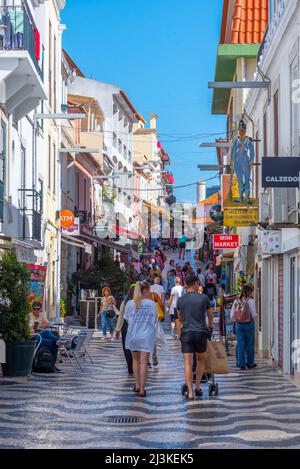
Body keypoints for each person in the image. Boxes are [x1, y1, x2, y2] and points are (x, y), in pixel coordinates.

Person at [177, 275, 213, 400]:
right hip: (200, 332)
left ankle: (190, 392)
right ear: (196, 283)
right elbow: (210, 315)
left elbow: (179, 318)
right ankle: (197, 387)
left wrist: (180, 331)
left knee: (187, 363)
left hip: (186, 332)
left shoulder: (181, 300)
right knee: (201, 360)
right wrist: (211, 327)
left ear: (186, 284)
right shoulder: (204, 298)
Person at [124, 281, 157, 397]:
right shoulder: (152, 304)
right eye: (149, 291)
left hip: (133, 335)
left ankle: (137, 385)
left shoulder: (129, 303)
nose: (150, 293)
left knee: (135, 361)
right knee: (144, 362)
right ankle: (142, 389)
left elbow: (127, 320)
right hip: (146, 336)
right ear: (144, 291)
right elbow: (154, 321)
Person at [29, 302, 65, 373]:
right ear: (32, 309)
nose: (36, 310)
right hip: (34, 338)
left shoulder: (42, 314)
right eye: (34, 309)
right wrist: (39, 325)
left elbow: (47, 324)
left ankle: (52, 366)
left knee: (54, 343)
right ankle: (60, 342)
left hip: (40, 338)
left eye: (37, 309)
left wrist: (38, 326)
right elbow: (31, 329)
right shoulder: (29, 316)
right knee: (46, 332)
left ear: (40, 310)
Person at [231, 284, 257, 370]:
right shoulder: (251, 301)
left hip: (239, 324)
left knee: (240, 344)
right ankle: (250, 363)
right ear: (249, 291)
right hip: (249, 324)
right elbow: (253, 314)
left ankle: (241, 364)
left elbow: (232, 315)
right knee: (250, 343)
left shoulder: (236, 301)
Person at [231, 119, 255, 204]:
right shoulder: (236, 141)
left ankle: (247, 198)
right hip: (238, 164)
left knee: (247, 180)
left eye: (243, 130)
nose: (241, 132)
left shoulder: (248, 140)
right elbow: (233, 152)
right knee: (240, 181)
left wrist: (251, 160)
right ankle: (240, 198)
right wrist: (232, 163)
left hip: (246, 162)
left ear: (244, 131)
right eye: (240, 130)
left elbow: (252, 151)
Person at [115, 285, 135, 376]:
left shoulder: (125, 302)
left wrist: (117, 330)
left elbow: (121, 316)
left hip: (125, 327)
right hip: (135, 327)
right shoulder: (139, 302)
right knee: (135, 348)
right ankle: (135, 366)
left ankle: (130, 367)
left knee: (126, 347)